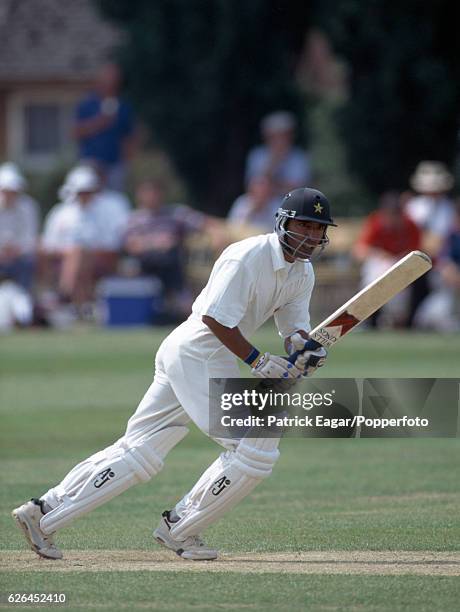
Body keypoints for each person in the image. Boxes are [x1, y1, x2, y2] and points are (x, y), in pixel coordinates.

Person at [12, 187, 333, 561]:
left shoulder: (302, 272)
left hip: (199, 356)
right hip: (198, 353)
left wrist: (305, 348)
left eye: (318, 228)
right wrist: (259, 361)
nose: (311, 235)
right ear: (283, 223)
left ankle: (42, 513)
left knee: (141, 451)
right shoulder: (248, 255)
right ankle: (180, 527)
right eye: (304, 225)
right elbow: (214, 317)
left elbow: (293, 328)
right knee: (255, 445)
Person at [122, 179, 215, 317]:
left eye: (155, 193)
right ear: (140, 196)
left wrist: (216, 234)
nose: (151, 197)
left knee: (171, 256)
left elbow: (203, 223)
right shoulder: (134, 219)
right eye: (147, 193)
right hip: (145, 263)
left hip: (174, 261)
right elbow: (131, 245)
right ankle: (169, 303)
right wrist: (157, 243)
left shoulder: (175, 213)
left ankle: (178, 302)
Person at [40, 165, 129, 310]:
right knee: (77, 255)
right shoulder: (61, 212)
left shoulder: (106, 211)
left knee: (79, 255)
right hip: (64, 259)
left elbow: (112, 244)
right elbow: (49, 245)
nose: (84, 196)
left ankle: (66, 296)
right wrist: (73, 253)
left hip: (98, 258)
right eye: (81, 192)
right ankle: (74, 302)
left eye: (87, 192)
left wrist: (83, 253)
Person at [353, 191, 421, 327]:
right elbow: (359, 251)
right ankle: (368, 318)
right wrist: (379, 254)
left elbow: (417, 253)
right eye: (389, 214)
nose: (392, 219)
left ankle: (397, 321)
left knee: (400, 284)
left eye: (396, 214)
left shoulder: (410, 225)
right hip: (379, 265)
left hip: (402, 266)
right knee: (373, 276)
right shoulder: (376, 222)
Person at [404, 161, 455, 325]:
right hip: (410, 258)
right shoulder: (413, 206)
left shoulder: (448, 208)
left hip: (438, 261)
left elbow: (440, 241)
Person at [73, 63, 135, 191]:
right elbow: (76, 132)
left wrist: (127, 163)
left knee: (114, 197)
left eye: (114, 79)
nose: (111, 82)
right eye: (108, 78)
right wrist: (99, 122)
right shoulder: (87, 104)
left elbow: (128, 137)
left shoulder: (124, 106)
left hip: (115, 164)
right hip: (91, 162)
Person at [245, 111, 311, 196]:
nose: (280, 140)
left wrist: (270, 186)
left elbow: (298, 190)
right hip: (264, 205)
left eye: (283, 135)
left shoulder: (299, 157)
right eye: (275, 135)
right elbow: (254, 188)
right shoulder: (257, 155)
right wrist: (274, 161)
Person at [0, 163, 39, 292]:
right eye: (6, 190)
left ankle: (24, 300)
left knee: (27, 263)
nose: (9, 194)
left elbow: (30, 238)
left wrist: (15, 251)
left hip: (21, 257)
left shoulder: (28, 207)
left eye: (13, 191)